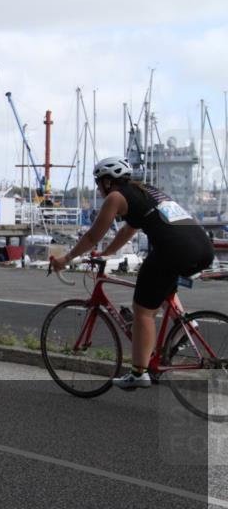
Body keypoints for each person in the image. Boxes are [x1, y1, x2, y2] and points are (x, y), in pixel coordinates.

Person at [50, 157, 214, 389]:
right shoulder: (145, 191)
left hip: (173, 251)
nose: (98, 189)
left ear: (107, 182)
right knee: (159, 286)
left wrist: (65, 259)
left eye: (98, 183)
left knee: (143, 311)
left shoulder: (115, 198)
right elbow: (129, 229)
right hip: (203, 249)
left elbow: (91, 237)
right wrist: (107, 252)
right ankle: (183, 325)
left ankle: (138, 373)